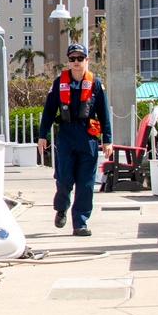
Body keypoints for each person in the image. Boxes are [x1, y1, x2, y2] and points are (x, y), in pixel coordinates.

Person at [37, 43, 113, 236]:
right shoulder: (58, 82)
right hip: (66, 136)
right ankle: (61, 207)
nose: (76, 62)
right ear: (68, 61)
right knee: (64, 179)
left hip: (87, 137)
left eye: (80, 58)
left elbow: (104, 113)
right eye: (72, 59)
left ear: (86, 60)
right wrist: (42, 135)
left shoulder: (95, 84)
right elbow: (48, 111)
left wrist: (107, 139)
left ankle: (80, 222)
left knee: (86, 183)